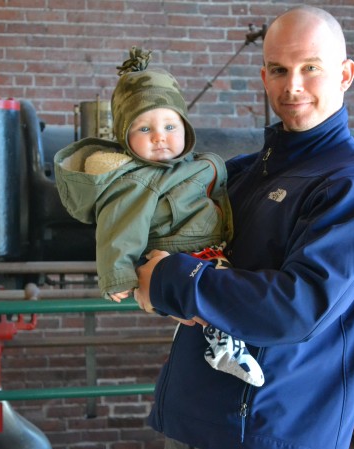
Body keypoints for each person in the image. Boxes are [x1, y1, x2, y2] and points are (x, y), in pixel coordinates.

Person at [134, 5, 354, 449]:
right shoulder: (244, 172)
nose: (292, 86)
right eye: (279, 69)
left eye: (310, 68)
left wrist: (170, 282)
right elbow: (171, 245)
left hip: (267, 435)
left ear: (346, 74)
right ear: (264, 76)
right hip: (193, 417)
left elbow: (297, 307)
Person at [53, 47, 264, 387]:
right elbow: (121, 226)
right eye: (144, 129)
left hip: (210, 246)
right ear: (124, 138)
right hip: (181, 251)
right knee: (218, 290)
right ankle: (224, 346)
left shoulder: (193, 165)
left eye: (169, 124)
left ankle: (225, 339)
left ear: (185, 127)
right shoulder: (139, 180)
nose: (159, 137)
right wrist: (118, 274)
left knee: (227, 287)